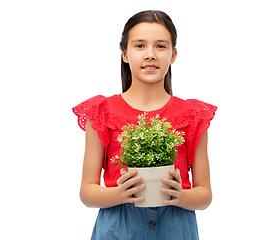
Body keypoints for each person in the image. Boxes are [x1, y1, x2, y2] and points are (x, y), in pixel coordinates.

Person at [72, 10, 217, 240]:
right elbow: (87, 192)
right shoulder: (102, 112)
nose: (150, 55)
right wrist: (120, 193)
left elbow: (205, 194)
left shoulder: (192, 115)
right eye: (140, 46)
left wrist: (180, 196)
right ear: (125, 54)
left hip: (176, 227)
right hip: (118, 228)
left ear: (173, 55)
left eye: (160, 46)